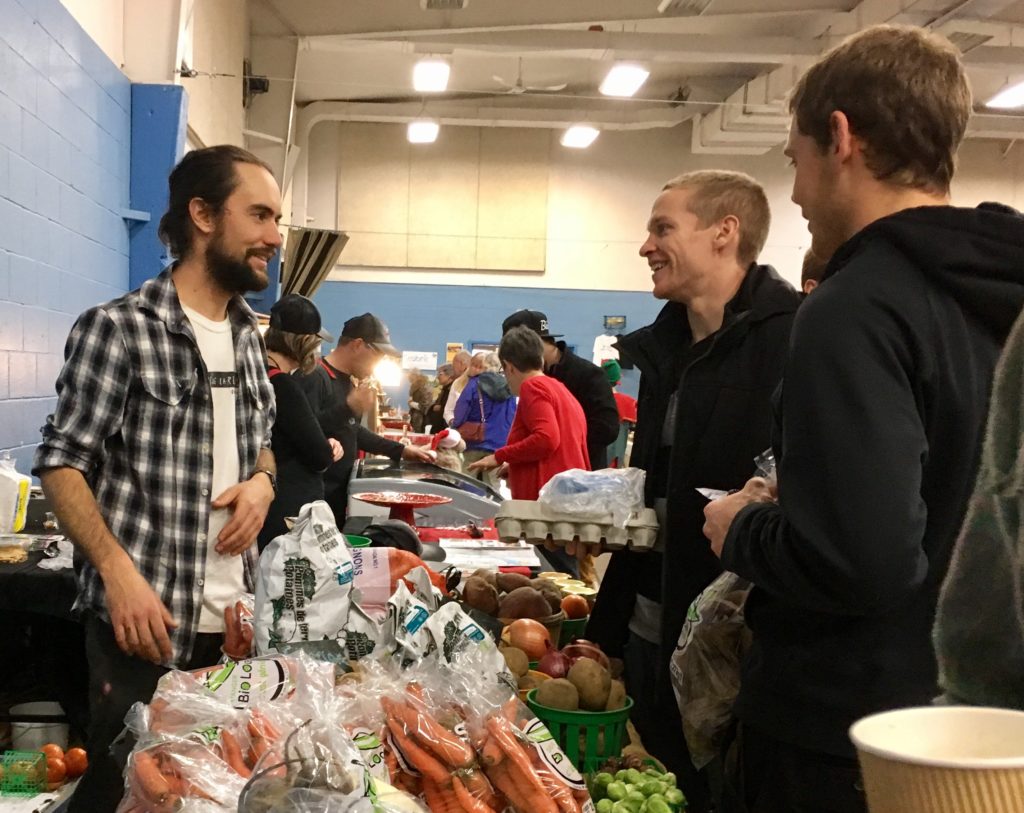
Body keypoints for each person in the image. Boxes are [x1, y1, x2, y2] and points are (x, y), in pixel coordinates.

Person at [701, 25, 1024, 813]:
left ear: (840, 137)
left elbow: (866, 560)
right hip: (977, 744)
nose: (800, 195)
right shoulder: (997, 295)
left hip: (849, 743)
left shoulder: (856, 307)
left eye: (795, 162)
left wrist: (739, 526)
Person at [33, 145, 282, 812]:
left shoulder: (248, 338)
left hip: (233, 634)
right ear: (202, 214)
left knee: (220, 798)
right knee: (134, 801)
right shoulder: (119, 329)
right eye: (258, 214)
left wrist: (261, 483)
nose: (274, 236)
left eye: (277, 218)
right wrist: (118, 574)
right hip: (143, 634)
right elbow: (61, 462)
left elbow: (261, 447)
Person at [585, 170, 800, 809]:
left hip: (732, 656)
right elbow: (650, 496)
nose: (646, 246)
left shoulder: (795, 340)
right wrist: (609, 627)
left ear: (724, 233)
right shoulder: (664, 351)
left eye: (662, 228)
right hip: (652, 633)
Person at [299, 313, 433, 524]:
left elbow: (351, 430)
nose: (379, 362)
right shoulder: (316, 377)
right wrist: (349, 407)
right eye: (379, 354)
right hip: (315, 497)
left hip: (337, 494)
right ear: (358, 345)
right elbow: (305, 431)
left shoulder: (348, 382)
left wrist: (401, 451)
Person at [257, 294, 344, 551]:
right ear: (304, 343)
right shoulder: (284, 386)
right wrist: (327, 446)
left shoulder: (256, 374)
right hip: (283, 511)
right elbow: (319, 456)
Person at [468, 326, 589, 505]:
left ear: (509, 367)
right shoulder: (559, 389)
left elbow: (546, 439)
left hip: (545, 503)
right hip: (565, 496)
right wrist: (515, 462)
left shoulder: (533, 387)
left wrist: (499, 456)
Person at [502, 310, 619, 469]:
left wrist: (558, 448)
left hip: (581, 475)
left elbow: (607, 429)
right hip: (546, 474)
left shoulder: (588, 374)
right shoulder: (533, 378)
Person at [453, 351, 516, 490]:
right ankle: (492, 510)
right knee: (493, 485)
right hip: (498, 444)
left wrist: (455, 426)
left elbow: (461, 410)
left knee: (466, 480)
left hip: (474, 441)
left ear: (485, 366)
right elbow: (512, 416)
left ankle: (466, 510)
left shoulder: (474, 384)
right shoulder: (509, 387)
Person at [601, 359, 637, 467]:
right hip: (615, 461)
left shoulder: (592, 400)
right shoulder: (628, 403)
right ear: (618, 379)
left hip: (593, 458)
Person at [442, 350, 473, 425]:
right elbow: (448, 410)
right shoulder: (456, 383)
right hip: (457, 429)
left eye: (454, 366)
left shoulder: (478, 382)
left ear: (462, 364)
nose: (453, 369)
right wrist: (452, 421)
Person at [426, 363, 455, 433]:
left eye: (440, 374)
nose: (437, 377)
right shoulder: (444, 389)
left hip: (444, 429)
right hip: (438, 428)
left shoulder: (451, 390)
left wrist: (439, 407)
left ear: (449, 375)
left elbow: (447, 409)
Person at [407, 369, 434, 433]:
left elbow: (425, 406)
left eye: (411, 378)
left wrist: (411, 403)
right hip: (415, 418)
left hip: (422, 420)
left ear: (416, 376)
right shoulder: (414, 386)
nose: (410, 380)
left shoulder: (425, 387)